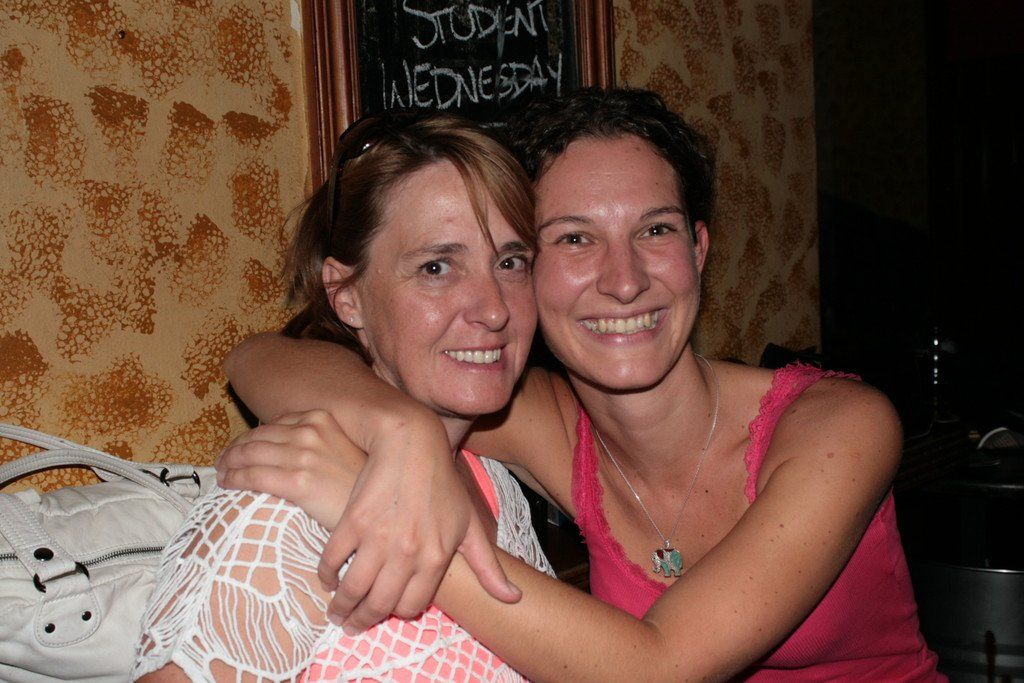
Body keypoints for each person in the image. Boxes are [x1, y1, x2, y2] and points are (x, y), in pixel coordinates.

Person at [221, 88, 945, 680]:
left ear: (698, 250)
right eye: (573, 238)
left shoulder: (840, 425)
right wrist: (398, 431)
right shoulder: (532, 416)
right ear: (526, 269)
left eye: (655, 230)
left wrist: (405, 527)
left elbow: (661, 669)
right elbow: (259, 360)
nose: (625, 280)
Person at [131, 109, 553, 681]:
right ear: (347, 296)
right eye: (436, 267)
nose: (495, 308)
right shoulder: (280, 514)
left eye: (510, 262)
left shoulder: (492, 481)